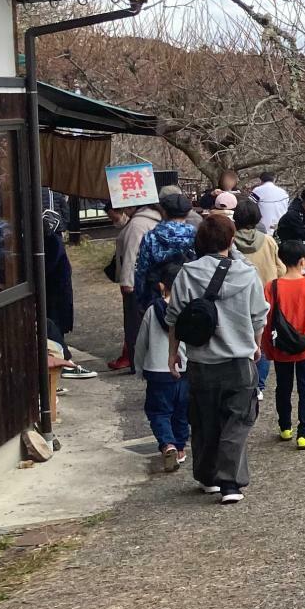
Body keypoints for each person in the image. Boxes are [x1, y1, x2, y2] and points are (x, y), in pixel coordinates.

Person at [171, 212, 268, 504]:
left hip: (201, 360)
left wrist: (172, 353)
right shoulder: (247, 273)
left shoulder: (187, 273)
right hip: (238, 358)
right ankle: (230, 484)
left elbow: (175, 317)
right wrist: (256, 345)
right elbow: (258, 315)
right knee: (237, 421)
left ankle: (207, 476)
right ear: (230, 239)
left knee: (204, 420)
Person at [263, 239, 305, 448]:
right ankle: (304, 434)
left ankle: (285, 428)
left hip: (281, 347)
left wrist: (268, 348)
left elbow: (265, 320)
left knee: (283, 387)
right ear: (303, 261)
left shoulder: (271, 287)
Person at [136, 259, 189, 473]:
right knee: (181, 411)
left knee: (159, 412)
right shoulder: (190, 309)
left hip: (157, 372)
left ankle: (167, 444)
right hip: (184, 370)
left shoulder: (151, 311)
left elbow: (141, 343)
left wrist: (140, 367)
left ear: (161, 286)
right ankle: (181, 447)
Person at [232, 196, 283, 398]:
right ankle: (259, 385)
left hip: (238, 298)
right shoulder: (269, 241)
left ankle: (242, 381)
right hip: (266, 297)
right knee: (263, 342)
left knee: (240, 340)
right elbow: (281, 268)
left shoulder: (230, 241)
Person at [42, 209, 94, 377]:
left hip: (54, 290)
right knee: (55, 324)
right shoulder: (54, 241)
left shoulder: (49, 241)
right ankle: (64, 362)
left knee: (54, 324)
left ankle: (63, 360)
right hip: (57, 291)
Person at [110, 201, 160, 373]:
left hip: (137, 282)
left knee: (135, 324)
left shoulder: (137, 224)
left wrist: (126, 282)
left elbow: (132, 255)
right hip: (153, 279)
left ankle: (138, 362)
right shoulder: (153, 219)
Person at [133, 187, 197, 304]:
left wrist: (141, 297)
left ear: (164, 212)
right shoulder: (196, 236)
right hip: (190, 293)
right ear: (188, 213)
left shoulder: (151, 237)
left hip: (157, 295)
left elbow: (142, 269)